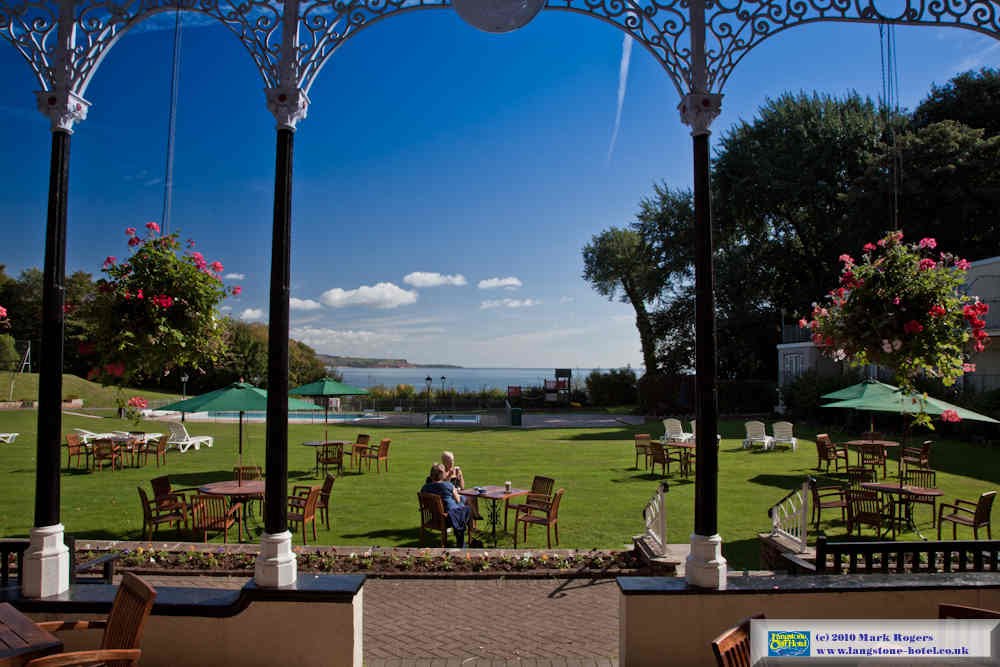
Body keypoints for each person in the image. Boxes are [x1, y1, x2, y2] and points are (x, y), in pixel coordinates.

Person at [420, 463, 472, 548]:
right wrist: (454, 491)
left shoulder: (424, 488)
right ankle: (463, 541)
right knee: (466, 507)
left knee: (462, 502)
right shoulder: (448, 485)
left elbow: (423, 503)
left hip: (433, 517)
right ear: (442, 475)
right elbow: (458, 500)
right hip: (447, 518)